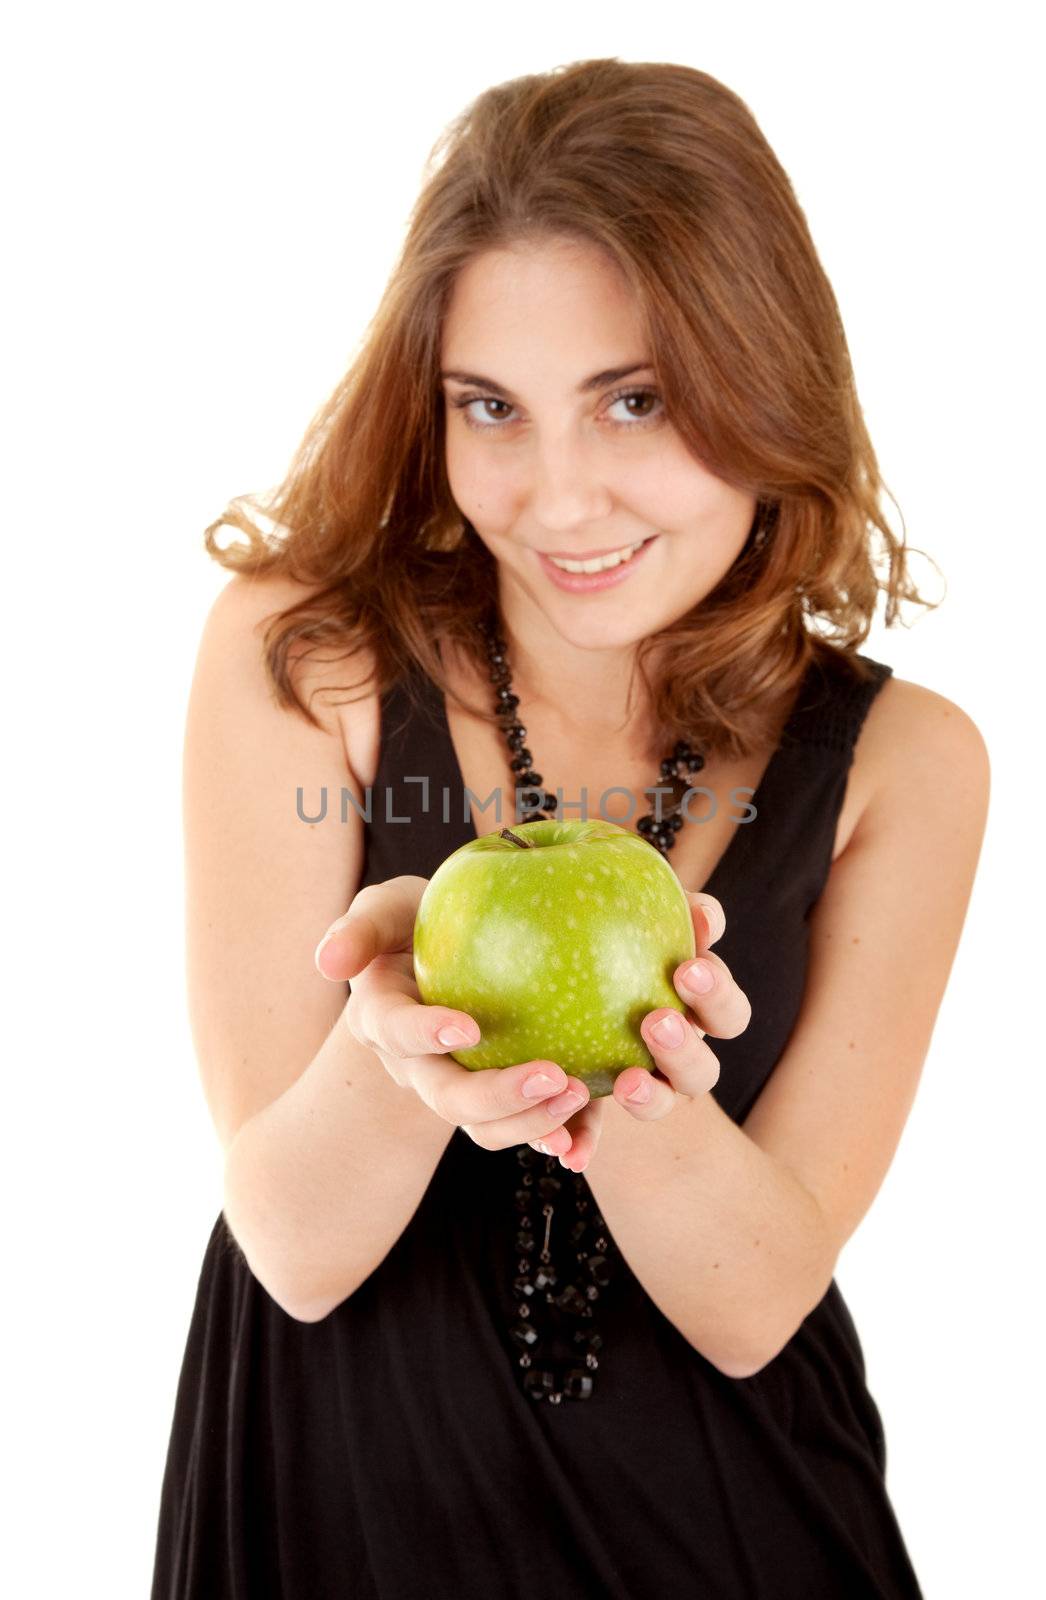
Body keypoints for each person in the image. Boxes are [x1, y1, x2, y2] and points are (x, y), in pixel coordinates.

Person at [151, 57, 989, 1599]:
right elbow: (294, 1247)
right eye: (491, 408)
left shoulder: (903, 762)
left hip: (731, 1533)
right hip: (332, 1516)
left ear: (763, 377)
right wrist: (393, 1054)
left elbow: (753, 1306)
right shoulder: (305, 652)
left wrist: (655, 1108)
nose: (556, 499)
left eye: (636, 400)